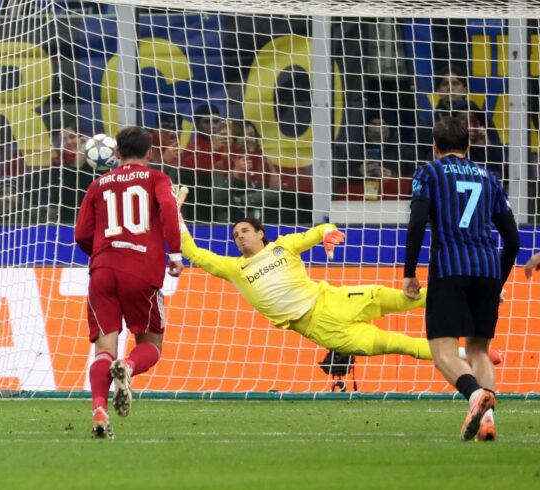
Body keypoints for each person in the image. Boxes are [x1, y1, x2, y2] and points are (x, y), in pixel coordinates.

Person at [177, 210, 503, 373]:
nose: (239, 237)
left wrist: (330, 233)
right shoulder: (234, 269)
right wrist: (173, 214)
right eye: (235, 235)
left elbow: (319, 230)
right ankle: (470, 356)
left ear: (260, 233)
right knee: (397, 344)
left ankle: (477, 295)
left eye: (245, 231)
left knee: (406, 298)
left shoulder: (282, 247)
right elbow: (193, 252)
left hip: (332, 299)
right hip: (320, 329)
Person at [403, 116, 519, 441]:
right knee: (479, 349)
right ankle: (487, 419)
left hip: (449, 268)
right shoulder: (488, 177)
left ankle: (473, 396)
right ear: (469, 146)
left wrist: (409, 273)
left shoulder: (429, 172)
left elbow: (417, 222)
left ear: (434, 146)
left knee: (443, 352)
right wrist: (497, 281)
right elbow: (513, 240)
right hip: (487, 268)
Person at [74, 126, 183, 439]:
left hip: (103, 270)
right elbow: (169, 211)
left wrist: (102, 252)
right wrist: (174, 254)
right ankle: (129, 366)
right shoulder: (157, 179)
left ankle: (99, 408)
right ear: (149, 154)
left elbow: (81, 234)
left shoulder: (98, 185)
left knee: (102, 348)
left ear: (116, 153)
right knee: (150, 345)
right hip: (141, 270)